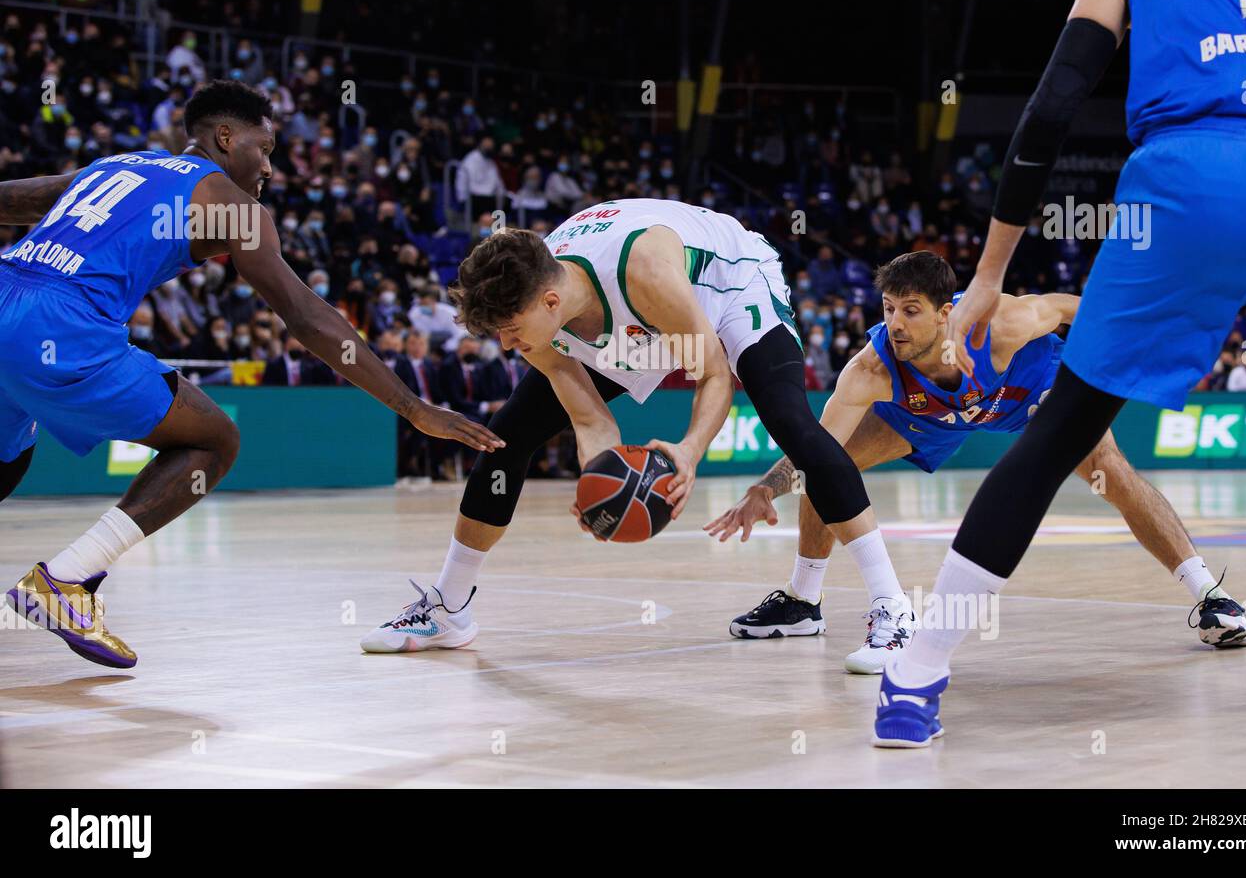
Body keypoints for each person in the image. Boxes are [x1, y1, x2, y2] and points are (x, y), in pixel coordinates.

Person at [872, 0, 1246, 747]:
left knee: (1061, 432)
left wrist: (991, 273)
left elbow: (1054, 106)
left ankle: (916, 680)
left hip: (1189, 177)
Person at [0, 80, 502, 670]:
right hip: (62, 324)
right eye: (263, 148)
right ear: (223, 137)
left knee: (10, 461)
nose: (268, 165)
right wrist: (414, 408)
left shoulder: (115, 166)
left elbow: (17, 198)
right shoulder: (237, 209)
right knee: (214, 440)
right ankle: (64, 581)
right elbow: (308, 317)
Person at [360, 198, 885, 654]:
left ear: (549, 303)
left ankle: (891, 609)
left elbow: (714, 375)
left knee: (790, 422)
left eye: (511, 330)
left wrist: (689, 450)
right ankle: (449, 609)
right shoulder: (536, 304)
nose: (504, 345)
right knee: (507, 436)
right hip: (623, 321)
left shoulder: (646, 271)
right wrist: (600, 477)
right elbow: (589, 417)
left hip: (725, 283)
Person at [708, 252, 1246, 673]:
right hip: (931, 414)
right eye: (889, 309)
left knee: (1111, 469)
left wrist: (1129, 337)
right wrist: (765, 488)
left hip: (1028, 390)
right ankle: (804, 602)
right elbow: (814, 445)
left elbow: (1066, 308)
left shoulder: (1002, 324)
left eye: (911, 311)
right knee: (831, 465)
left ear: (946, 314)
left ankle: (1211, 597)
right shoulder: (872, 367)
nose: (895, 324)